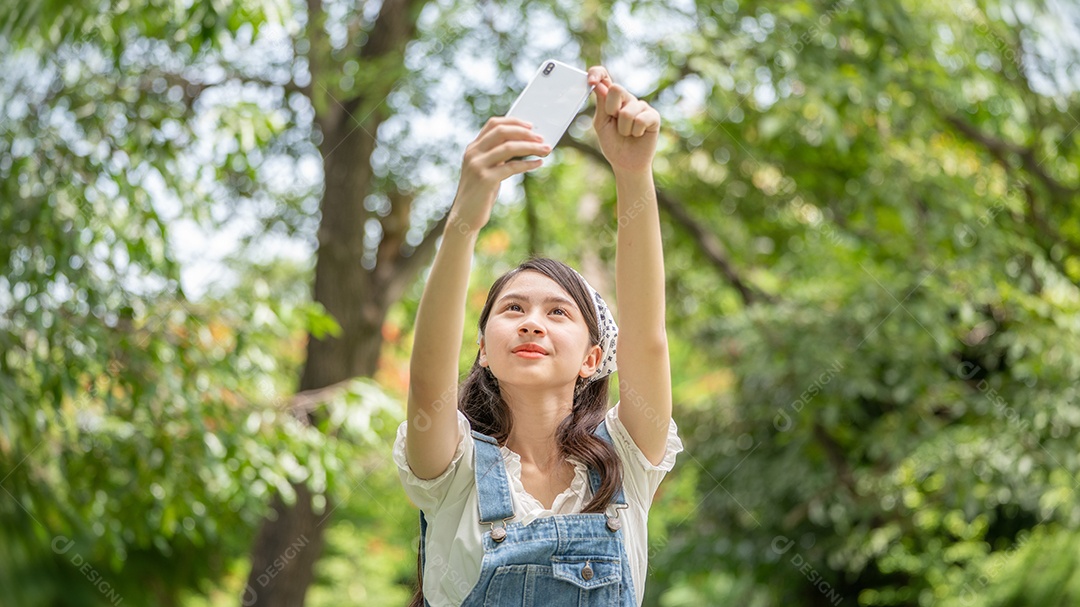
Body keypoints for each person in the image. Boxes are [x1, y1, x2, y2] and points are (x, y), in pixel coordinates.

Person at [393, 65, 683, 607]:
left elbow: (648, 337)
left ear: (593, 357)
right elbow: (427, 373)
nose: (531, 322)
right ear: (482, 350)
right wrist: (465, 218)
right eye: (513, 308)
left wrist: (633, 171)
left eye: (558, 313)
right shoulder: (452, 468)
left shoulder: (625, 459)